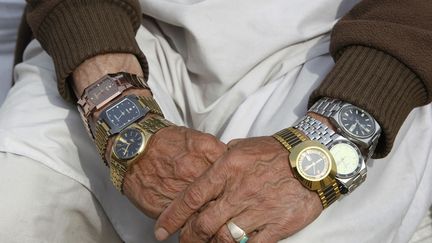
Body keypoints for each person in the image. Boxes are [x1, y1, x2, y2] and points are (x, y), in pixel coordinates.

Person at [0, 0, 431, 242]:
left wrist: (327, 145)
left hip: (364, 51)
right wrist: (117, 107)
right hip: (124, 34)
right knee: (17, 204)